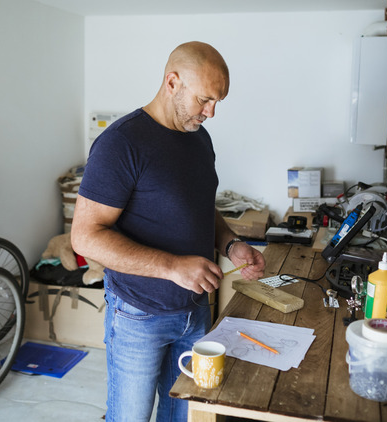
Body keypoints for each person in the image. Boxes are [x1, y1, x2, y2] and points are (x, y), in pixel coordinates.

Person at [70, 41, 266, 422]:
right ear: (172, 82)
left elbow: (198, 208)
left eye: (217, 103)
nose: (210, 113)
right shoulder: (120, 144)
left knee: (185, 417)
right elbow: (86, 236)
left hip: (195, 311)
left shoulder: (199, 138)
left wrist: (231, 244)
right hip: (138, 315)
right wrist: (173, 267)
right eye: (205, 100)